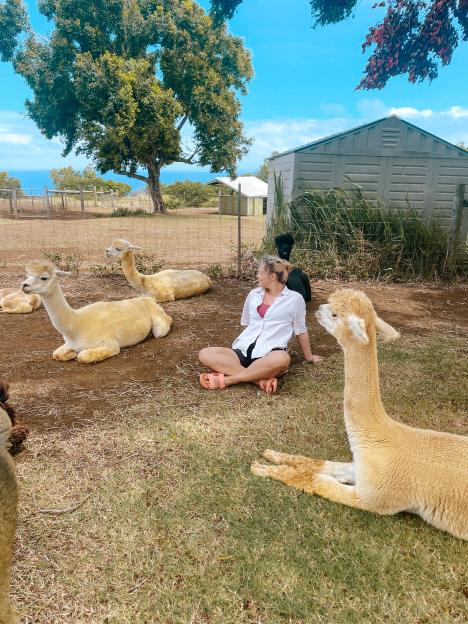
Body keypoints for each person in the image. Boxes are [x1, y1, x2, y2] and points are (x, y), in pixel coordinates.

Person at [198, 255, 322, 394]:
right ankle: (257, 380)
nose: (257, 275)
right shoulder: (254, 294)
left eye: (260, 272)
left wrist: (309, 357)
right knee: (205, 353)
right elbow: (249, 324)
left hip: (269, 356)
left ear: (273, 276)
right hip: (243, 351)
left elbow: (301, 330)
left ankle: (230, 380)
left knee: (283, 359)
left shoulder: (295, 299)